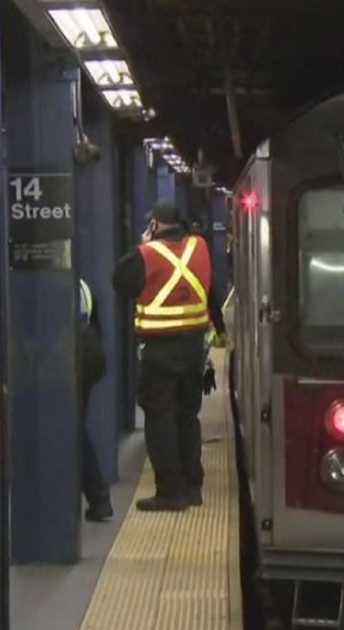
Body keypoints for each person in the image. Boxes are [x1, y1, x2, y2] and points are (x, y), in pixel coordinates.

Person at [112, 200, 218, 512]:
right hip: (193, 348)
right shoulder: (199, 246)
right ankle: (192, 486)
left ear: (155, 225)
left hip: (160, 350)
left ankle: (171, 491)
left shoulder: (146, 255)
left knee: (160, 418)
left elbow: (120, 281)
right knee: (187, 416)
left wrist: (143, 245)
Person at [76, 279, 113, 522]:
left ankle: (99, 499)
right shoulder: (83, 286)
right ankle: (98, 499)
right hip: (89, 352)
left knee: (71, 431)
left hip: (73, 351)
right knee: (74, 429)